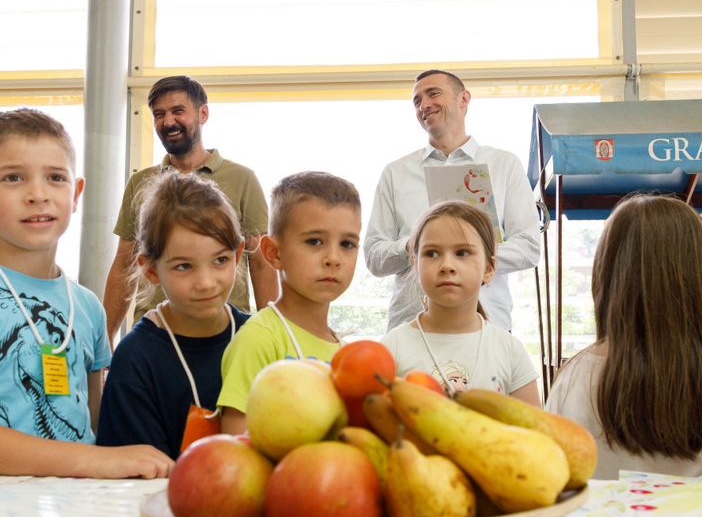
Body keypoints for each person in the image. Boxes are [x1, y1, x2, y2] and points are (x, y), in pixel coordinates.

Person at [0, 108, 172, 478]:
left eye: (55, 178)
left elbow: (93, 426)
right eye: (13, 178)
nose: (37, 195)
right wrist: (95, 461)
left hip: (75, 505)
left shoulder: (88, 306)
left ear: (76, 193)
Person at [545, 195, 702, 480]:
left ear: (606, 273)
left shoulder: (574, 373)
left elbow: (553, 460)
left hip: (600, 510)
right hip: (693, 510)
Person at [103, 76, 277, 344]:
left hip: (227, 335)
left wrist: (273, 338)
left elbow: (261, 264)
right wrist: (104, 342)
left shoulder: (243, 179)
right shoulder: (140, 183)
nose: (168, 122)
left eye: (178, 111)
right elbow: (124, 265)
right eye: (159, 114)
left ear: (203, 113)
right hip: (156, 334)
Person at [364, 69, 540, 332]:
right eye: (417, 101)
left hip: (488, 327)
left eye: (433, 93)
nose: (424, 105)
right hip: (411, 328)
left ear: (464, 99)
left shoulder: (504, 164)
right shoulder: (395, 172)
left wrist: (470, 255)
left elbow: (528, 247)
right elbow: (374, 256)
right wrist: (413, 247)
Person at [96, 171, 251, 459]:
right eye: (184, 266)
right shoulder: (135, 361)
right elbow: (138, 474)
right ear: (150, 269)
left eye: (220, 260)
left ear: (238, 254)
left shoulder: (258, 339)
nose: (206, 282)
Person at [216, 172, 361, 434]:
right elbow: (235, 443)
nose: (334, 258)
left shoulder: (348, 354)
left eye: (347, 244)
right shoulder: (259, 339)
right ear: (274, 253)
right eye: (314, 241)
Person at [380, 201, 540, 405]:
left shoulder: (510, 351)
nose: (447, 265)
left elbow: (534, 423)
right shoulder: (392, 347)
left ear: (488, 270)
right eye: (432, 253)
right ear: (415, 265)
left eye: (462, 253)